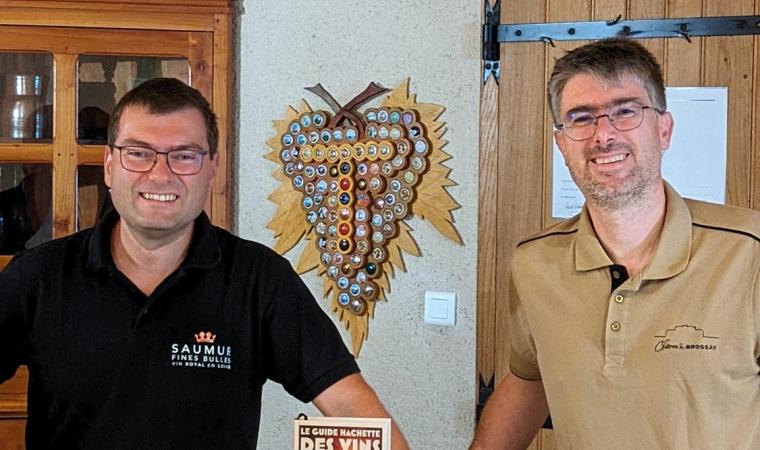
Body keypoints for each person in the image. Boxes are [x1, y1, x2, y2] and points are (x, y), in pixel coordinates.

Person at [0, 78, 409, 450]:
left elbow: (352, 407)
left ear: (212, 167)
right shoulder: (37, 277)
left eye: (184, 156)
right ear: (109, 166)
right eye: (138, 153)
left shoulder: (259, 280)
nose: (160, 174)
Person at [470, 38, 760, 449]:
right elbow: (528, 379)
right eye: (581, 118)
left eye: (625, 111)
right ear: (561, 143)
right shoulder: (534, 264)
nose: (603, 134)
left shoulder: (749, 254)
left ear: (663, 129)